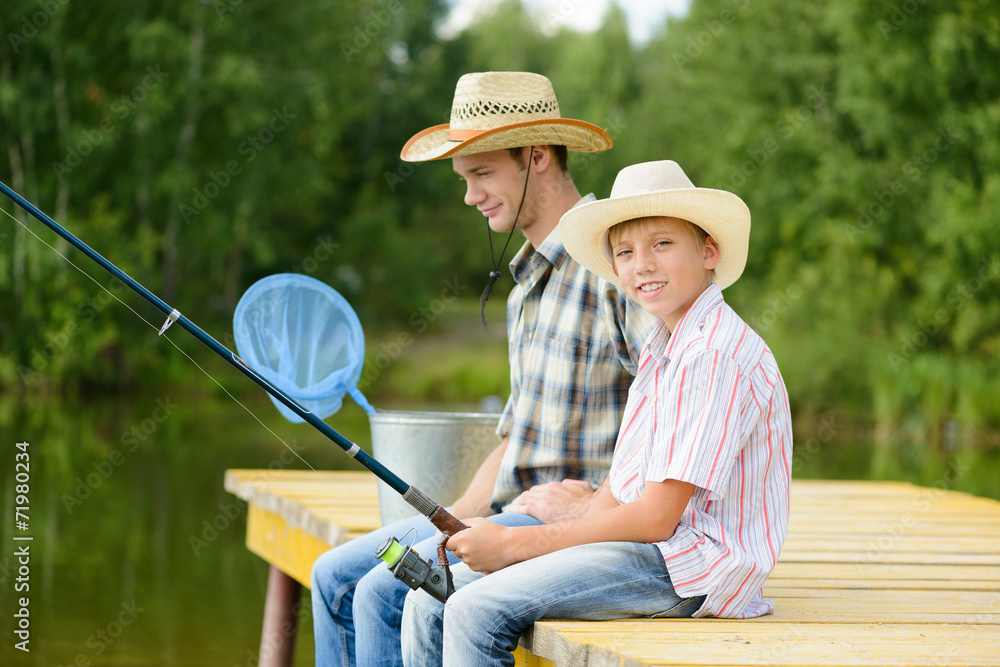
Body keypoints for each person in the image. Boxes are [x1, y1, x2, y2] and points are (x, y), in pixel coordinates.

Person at [311, 72, 656, 667]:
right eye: (464, 178)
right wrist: (456, 518)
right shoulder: (523, 288)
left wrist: (589, 505)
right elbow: (514, 430)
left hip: (573, 521)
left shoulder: (615, 265)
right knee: (333, 576)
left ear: (538, 156)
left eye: (482, 173)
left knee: (382, 595)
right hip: (506, 512)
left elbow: (669, 411)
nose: (470, 196)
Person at [400, 160, 794, 666]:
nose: (642, 265)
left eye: (662, 244)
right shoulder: (662, 345)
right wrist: (551, 528)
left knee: (475, 609)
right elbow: (624, 483)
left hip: (691, 567)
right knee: (431, 596)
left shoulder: (711, 353)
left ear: (708, 250)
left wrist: (518, 546)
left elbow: (655, 519)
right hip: (650, 551)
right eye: (625, 253)